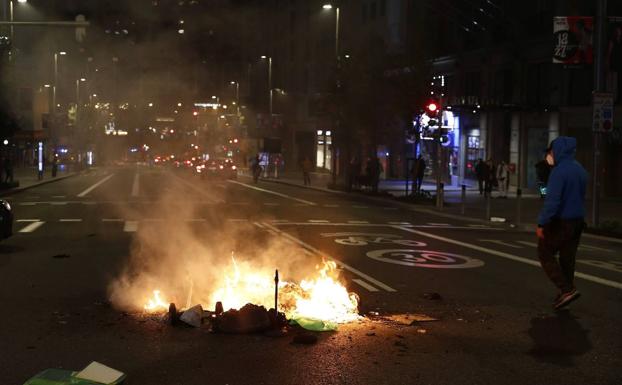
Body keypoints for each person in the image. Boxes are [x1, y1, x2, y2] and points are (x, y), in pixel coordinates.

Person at [536, 136, 587, 310]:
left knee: (544, 252)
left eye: (551, 152)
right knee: (567, 258)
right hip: (578, 221)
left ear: (556, 151)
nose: (549, 155)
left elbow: (552, 202)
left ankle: (566, 290)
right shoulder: (579, 169)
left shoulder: (559, 172)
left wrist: (542, 224)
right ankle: (566, 292)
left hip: (561, 221)